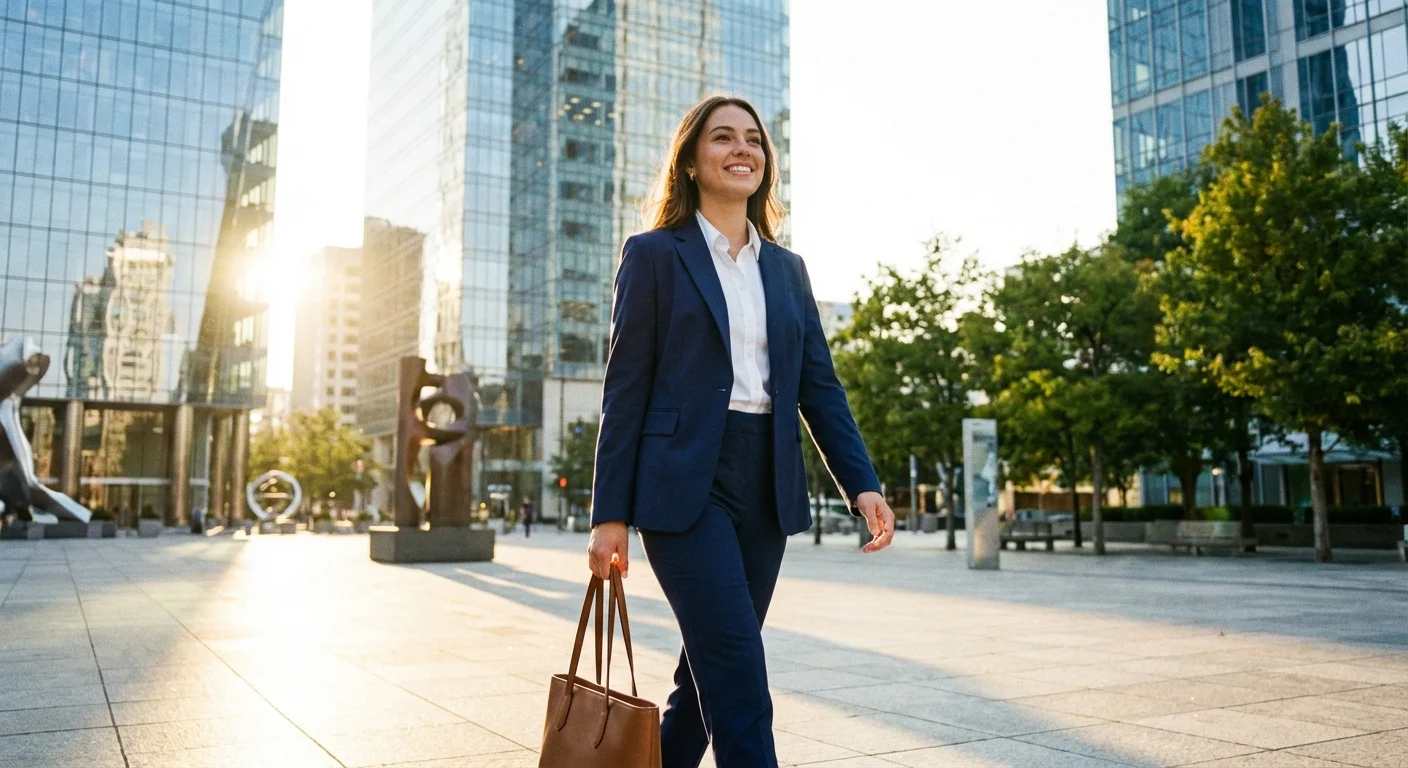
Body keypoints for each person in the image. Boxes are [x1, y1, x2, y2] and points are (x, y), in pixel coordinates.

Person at [586, 95, 896, 768]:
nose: (741, 149)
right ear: (692, 162)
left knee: (705, 677)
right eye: (722, 138)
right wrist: (608, 516)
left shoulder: (787, 271)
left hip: (765, 481)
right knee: (737, 668)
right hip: (681, 484)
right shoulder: (653, 256)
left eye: (753, 139)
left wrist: (861, 484)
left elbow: (820, 387)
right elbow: (625, 391)